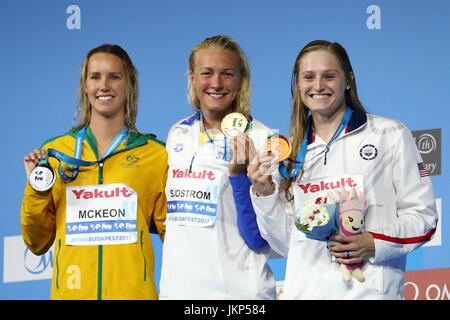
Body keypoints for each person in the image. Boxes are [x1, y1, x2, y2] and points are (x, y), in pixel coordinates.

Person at [247, 40, 438, 299]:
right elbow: (287, 242)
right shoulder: (289, 154)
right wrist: (264, 192)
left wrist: (374, 243)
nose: (318, 86)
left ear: (348, 80)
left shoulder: (389, 134)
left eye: (329, 76)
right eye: (308, 77)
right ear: (298, 85)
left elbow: (423, 217)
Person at [21, 44, 168, 300]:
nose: (104, 85)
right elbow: (36, 242)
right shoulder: (55, 152)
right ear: (84, 86)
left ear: (129, 84)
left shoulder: (155, 154)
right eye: (95, 76)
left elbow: (177, 239)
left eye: (114, 76)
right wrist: (37, 191)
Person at [159, 35, 276, 299]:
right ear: (191, 77)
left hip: (239, 293)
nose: (216, 83)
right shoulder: (178, 133)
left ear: (241, 80)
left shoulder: (261, 138)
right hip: (178, 292)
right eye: (206, 73)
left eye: (227, 74)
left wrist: (244, 179)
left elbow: (266, 236)